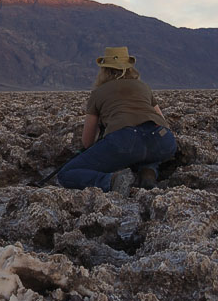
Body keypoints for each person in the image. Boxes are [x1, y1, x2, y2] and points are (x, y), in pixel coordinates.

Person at [56, 46, 176, 195]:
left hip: (124, 141)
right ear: (130, 68)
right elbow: (161, 120)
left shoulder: (98, 93)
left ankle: (112, 181)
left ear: (104, 70)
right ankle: (148, 172)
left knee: (66, 173)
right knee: (147, 149)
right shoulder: (144, 87)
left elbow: (87, 142)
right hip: (163, 139)